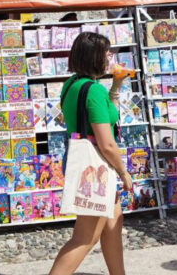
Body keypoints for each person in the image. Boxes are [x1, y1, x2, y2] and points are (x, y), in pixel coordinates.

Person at [49, 32, 133, 275]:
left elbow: (107, 117)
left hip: (82, 160)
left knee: (112, 222)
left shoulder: (72, 84)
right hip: (96, 167)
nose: (110, 56)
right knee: (85, 238)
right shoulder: (93, 91)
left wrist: (116, 87)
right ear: (95, 57)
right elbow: (107, 143)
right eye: (107, 52)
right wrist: (123, 171)